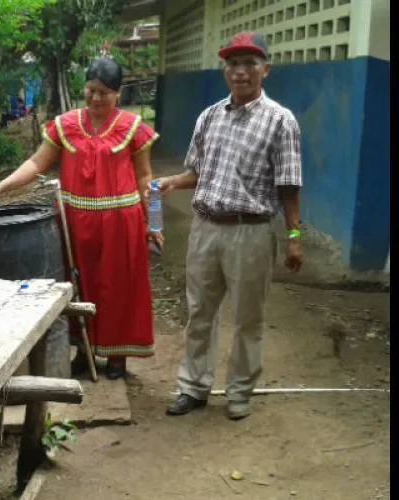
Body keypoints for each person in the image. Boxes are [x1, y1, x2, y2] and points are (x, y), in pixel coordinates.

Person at [0, 58, 163, 380]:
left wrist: (155, 224)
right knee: (77, 285)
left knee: (118, 287)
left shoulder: (133, 128)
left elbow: (145, 178)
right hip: (73, 223)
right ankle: (84, 350)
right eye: (90, 90)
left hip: (121, 223)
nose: (95, 99)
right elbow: (37, 164)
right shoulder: (65, 125)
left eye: (104, 93)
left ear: (118, 94)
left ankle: (117, 355)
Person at [154, 31, 303, 420]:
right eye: (233, 64)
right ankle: (193, 387)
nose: (240, 72)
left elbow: (289, 186)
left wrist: (294, 237)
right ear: (225, 71)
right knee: (199, 310)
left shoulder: (280, 122)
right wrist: (173, 181)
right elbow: (198, 172)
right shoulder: (209, 117)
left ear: (265, 70)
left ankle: (239, 392)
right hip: (205, 228)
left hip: (250, 232)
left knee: (247, 317)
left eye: (249, 64)